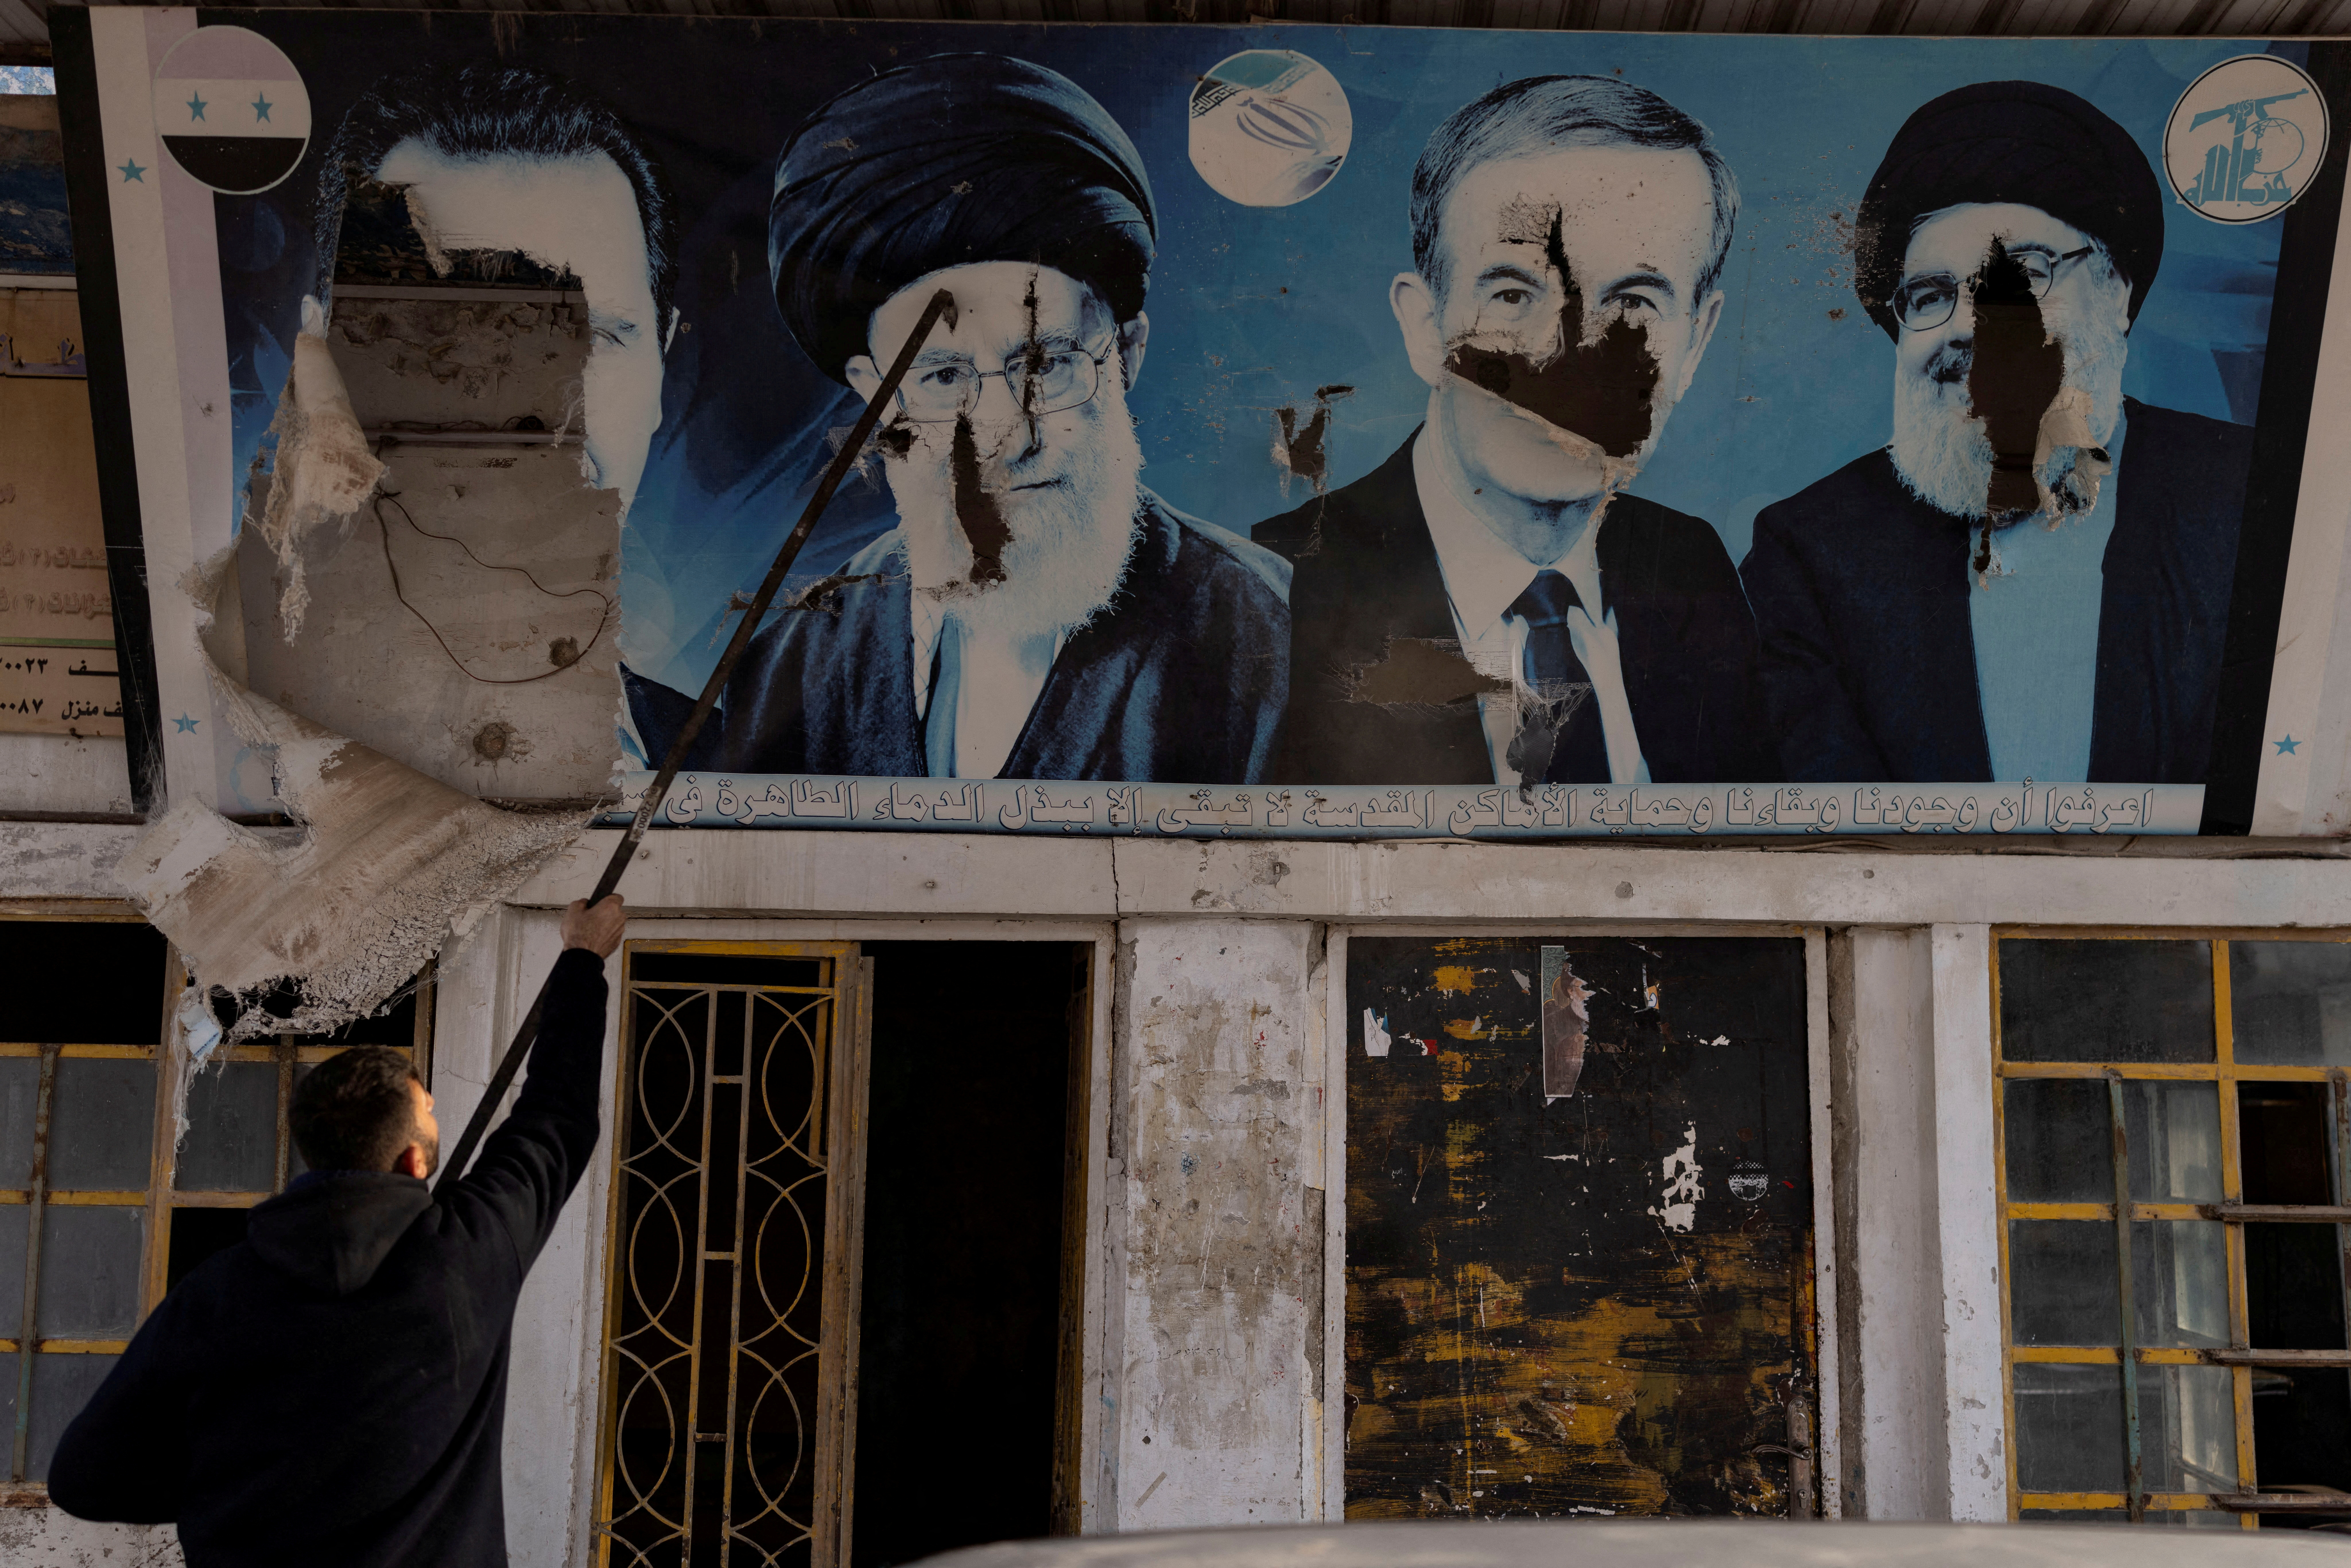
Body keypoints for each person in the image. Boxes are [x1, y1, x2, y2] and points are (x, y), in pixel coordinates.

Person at [717, 53, 1291, 785]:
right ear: (877, 397)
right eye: (945, 378)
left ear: (1126, 357)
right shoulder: (789, 666)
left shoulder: (1272, 642)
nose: (1007, 436)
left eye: (1045, 366)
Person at [48, 895, 628, 1567]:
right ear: (414, 1161)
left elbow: (82, 1478)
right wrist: (582, 958)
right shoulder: (469, 1253)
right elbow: (556, 1116)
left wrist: (236, 1491)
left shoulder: (219, 1293)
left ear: (316, 1150)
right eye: (430, 1113)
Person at [1258, 74, 1775, 788]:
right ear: (1424, 327)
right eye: (1512, 294)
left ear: (1695, 343)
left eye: (1631, 302)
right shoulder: (1271, 593)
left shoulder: (1689, 566)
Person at [1739, 81, 2252, 784]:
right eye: (1928, 296)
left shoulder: (2253, 497)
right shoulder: (1813, 552)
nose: (1963, 325)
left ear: (2116, 293)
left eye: (2016, 275)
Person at [311, 64, 709, 769]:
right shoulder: (260, 733)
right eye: (451, 334)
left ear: (660, 369)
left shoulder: (716, 751)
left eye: (595, 339)